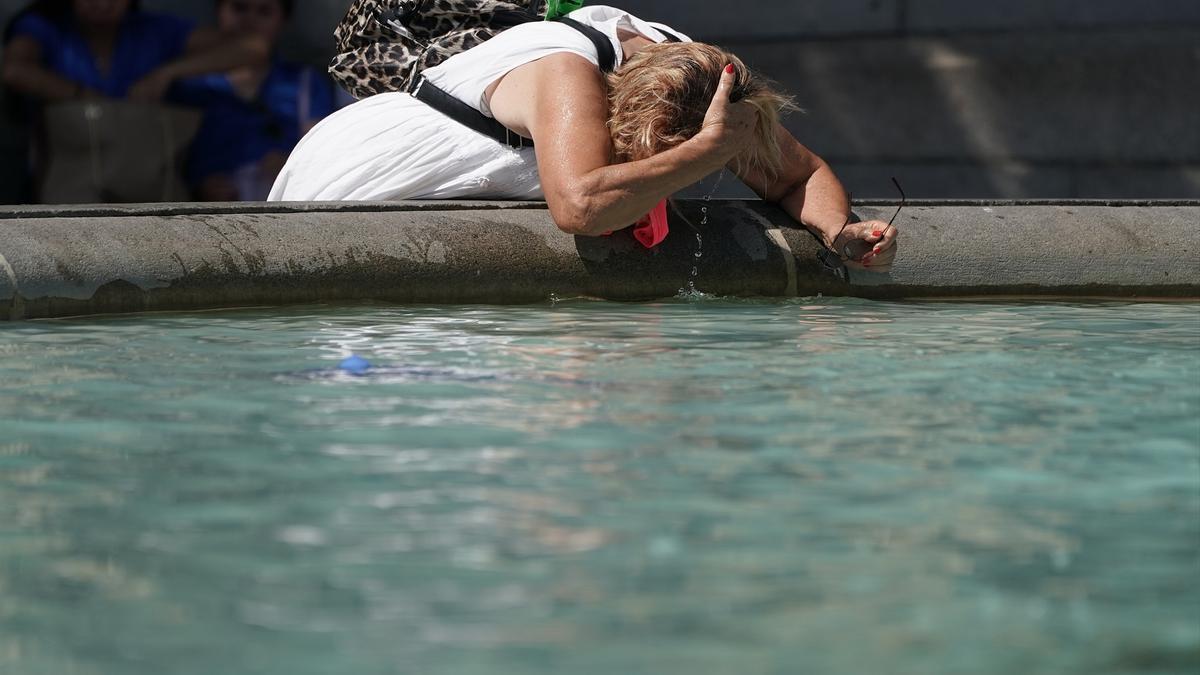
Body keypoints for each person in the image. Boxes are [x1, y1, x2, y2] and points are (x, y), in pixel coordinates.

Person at [270, 5, 897, 270]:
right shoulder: (565, 69)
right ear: (621, 116)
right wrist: (703, 154)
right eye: (657, 157)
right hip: (354, 184)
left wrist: (840, 231)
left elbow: (796, 174)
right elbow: (581, 208)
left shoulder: (703, 79)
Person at [187, 0, 337, 201]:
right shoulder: (190, 84)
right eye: (239, 8)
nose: (249, 21)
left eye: (264, 12)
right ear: (219, 11)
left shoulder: (306, 83)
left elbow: (320, 157)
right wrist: (200, 184)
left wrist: (289, 169)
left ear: (284, 21)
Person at [1, 0, 270, 105]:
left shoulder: (153, 30)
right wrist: (86, 98)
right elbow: (14, 70)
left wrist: (167, 72)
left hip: (145, 173)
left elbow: (254, 47)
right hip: (69, 173)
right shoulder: (44, 26)